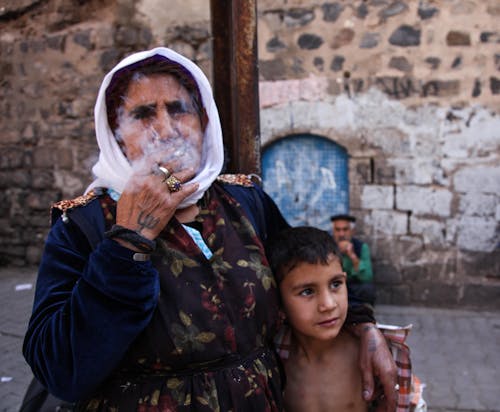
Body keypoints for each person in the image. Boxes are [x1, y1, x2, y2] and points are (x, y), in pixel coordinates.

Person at [22, 47, 397, 410]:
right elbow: (60, 370)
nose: (165, 129)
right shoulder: (83, 225)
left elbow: (309, 272)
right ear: (117, 135)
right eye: (142, 114)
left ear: (204, 121)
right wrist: (129, 238)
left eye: (178, 109)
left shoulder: (244, 202)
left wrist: (363, 327)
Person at [268, 226, 369, 411]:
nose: (329, 304)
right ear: (279, 302)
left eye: (336, 284)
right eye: (307, 291)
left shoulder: (367, 357)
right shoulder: (273, 364)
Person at [331, 214, 376, 305]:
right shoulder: (327, 246)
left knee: (368, 289)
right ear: (333, 231)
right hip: (332, 285)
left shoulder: (361, 247)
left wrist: (352, 256)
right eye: (337, 230)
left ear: (352, 231)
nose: (341, 234)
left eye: (345, 229)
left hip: (352, 285)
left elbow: (367, 277)